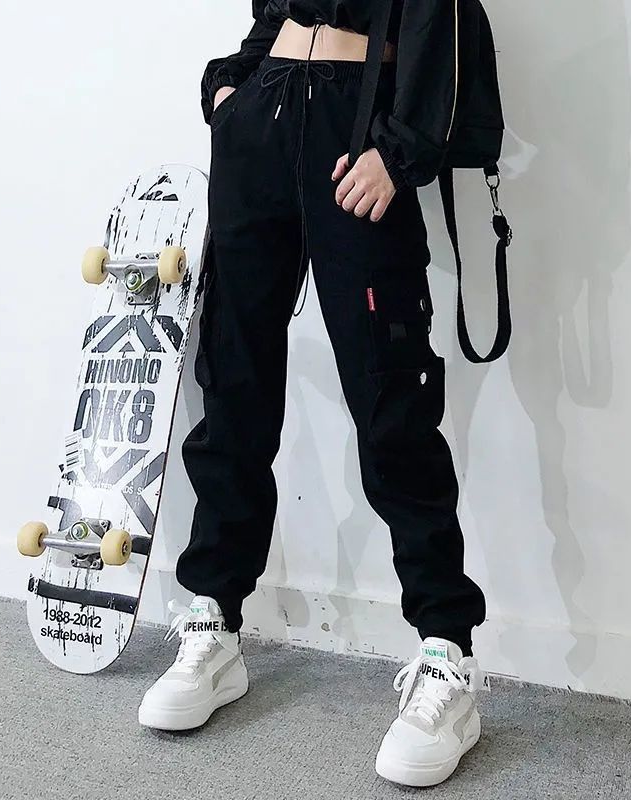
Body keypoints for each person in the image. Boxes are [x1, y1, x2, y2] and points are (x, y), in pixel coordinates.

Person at [138, 1, 489, 787]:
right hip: (260, 124)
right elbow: (273, 15)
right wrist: (232, 94)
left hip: (354, 131)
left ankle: (447, 655)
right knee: (234, 384)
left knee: (391, 402)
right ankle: (213, 622)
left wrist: (399, 150)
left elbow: (436, 17)